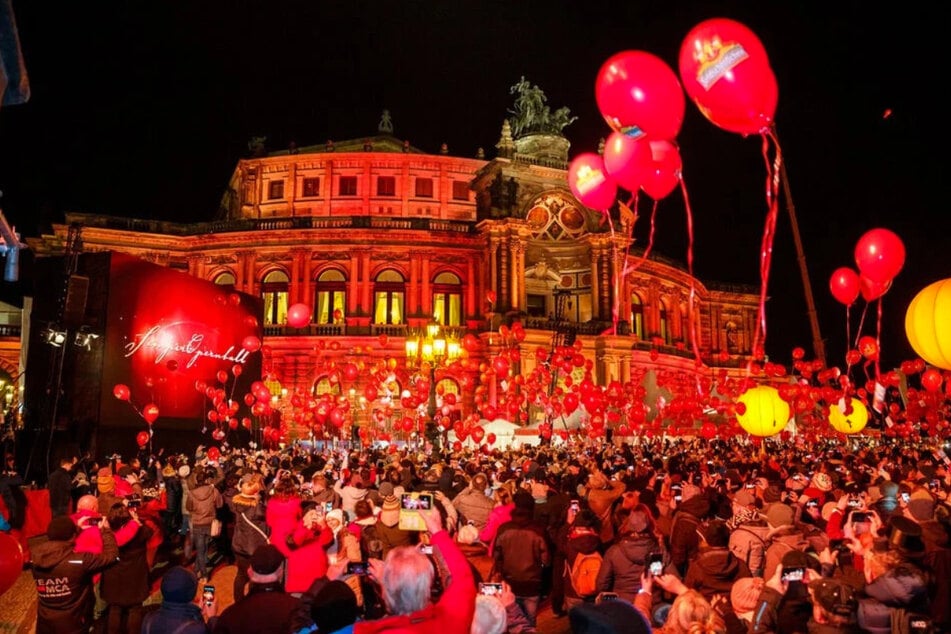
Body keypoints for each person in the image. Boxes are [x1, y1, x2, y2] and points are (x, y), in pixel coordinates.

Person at [354, 506, 475, 633]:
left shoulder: (367, 631)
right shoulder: (452, 621)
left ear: (385, 594)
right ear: (428, 586)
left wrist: (388, 583)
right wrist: (437, 531)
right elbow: (462, 578)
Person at [31, 514, 118, 634]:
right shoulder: (80, 561)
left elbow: (62, 543)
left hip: (45, 622)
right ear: (72, 536)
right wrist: (106, 531)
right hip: (74, 623)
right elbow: (111, 557)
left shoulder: (36, 560)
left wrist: (76, 529)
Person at [492, 489, 550, 627]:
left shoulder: (504, 529)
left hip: (511, 583)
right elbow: (546, 560)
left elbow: (497, 557)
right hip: (532, 584)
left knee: (511, 622)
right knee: (529, 623)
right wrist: (539, 571)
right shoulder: (538, 530)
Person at [213, 543, 301, 633]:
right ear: (280, 572)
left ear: (249, 572)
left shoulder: (230, 615)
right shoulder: (299, 610)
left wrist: (212, 619)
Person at [100, 502, 154, 634]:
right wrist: (136, 520)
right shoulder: (140, 533)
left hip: (114, 577)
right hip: (135, 578)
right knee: (135, 609)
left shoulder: (107, 536)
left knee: (114, 608)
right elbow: (150, 530)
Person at [595, 504, 663, 602]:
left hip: (623, 605)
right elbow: (672, 578)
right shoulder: (659, 550)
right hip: (650, 602)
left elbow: (601, 585)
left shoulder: (614, 551)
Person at [141, 566, 218, 634]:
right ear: (192, 595)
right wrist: (212, 618)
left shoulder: (148, 619)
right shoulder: (197, 629)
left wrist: (196, 612)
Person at [229, 472, 268, 601]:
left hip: (239, 545)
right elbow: (264, 517)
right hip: (254, 547)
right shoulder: (257, 508)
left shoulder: (237, 502)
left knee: (241, 575)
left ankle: (238, 601)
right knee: (254, 576)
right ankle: (252, 601)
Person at [187, 465, 223, 582]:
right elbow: (220, 504)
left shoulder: (192, 493)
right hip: (209, 522)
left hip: (198, 523)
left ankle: (204, 575)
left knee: (200, 550)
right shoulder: (214, 490)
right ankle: (198, 569)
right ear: (207, 480)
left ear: (197, 480)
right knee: (204, 548)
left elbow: (189, 507)